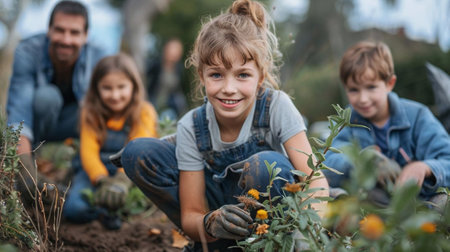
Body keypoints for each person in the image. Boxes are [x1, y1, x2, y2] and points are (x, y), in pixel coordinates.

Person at [120, 0, 329, 250]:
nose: (229, 89)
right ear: (202, 76)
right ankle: (217, 244)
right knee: (138, 152)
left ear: (260, 76)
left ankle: (267, 245)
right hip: (219, 220)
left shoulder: (277, 106)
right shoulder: (192, 126)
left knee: (265, 165)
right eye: (216, 75)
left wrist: (304, 237)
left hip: (274, 220)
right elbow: (192, 213)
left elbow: (315, 182)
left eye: (242, 75)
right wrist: (210, 223)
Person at [323, 41, 450, 207]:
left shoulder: (418, 116)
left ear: (389, 84)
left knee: (439, 202)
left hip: (415, 202)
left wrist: (425, 168)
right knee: (341, 197)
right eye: (354, 90)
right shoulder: (346, 121)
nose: (363, 98)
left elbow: (446, 157)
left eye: (371, 87)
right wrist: (361, 160)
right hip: (369, 201)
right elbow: (327, 161)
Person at [6, 0, 107, 198]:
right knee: (47, 97)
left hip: (77, 125)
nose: (66, 40)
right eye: (59, 30)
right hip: (38, 123)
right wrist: (27, 172)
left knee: (95, 110)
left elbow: (104, 116)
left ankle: (79, 173)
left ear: (85, 36)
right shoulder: (27, 50)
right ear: (49, 30)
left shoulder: (99, 57)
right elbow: (18, 114)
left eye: (75, 33)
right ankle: (31, 166)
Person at [63, 53, 158, 230]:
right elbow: (88, 153)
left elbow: (137, 151)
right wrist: (101, 180)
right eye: (107, 88)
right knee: (74, 210)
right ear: (96, 88)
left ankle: (111, 213)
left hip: (130, 173)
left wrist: (121, 181)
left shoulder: (144, 112)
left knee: (131, 207)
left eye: (121, 87)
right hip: (93, 171)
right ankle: (99, 210)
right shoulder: (90, 112)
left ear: (134, 86)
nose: (115, 95)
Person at [146, 38, 187, 120]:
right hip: (153, 99)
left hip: (169, 103)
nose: (173, 53)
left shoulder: (178, 68)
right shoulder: (156, 64)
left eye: (177, 50)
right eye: (172, 49)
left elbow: (177, 89)